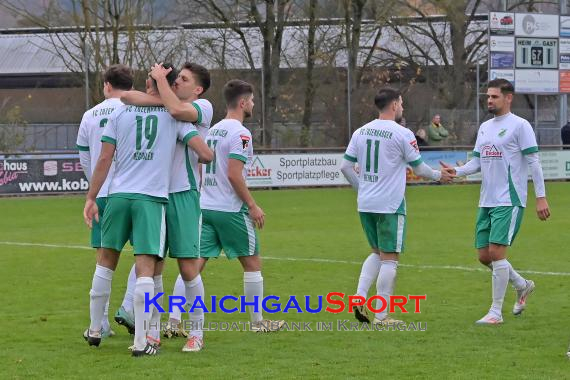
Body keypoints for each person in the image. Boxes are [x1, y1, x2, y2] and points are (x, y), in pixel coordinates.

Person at [82, 64, 213, 356]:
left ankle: (196, 332)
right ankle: (151, 332)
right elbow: (130, 98)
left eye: (184, 79)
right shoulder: (167, 107)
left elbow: (183, 121)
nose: (178, 82)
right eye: (176, 78)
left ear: (198, 89)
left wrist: (158, 86)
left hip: (182, 195)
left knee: (189, 268)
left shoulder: (199, 107)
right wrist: (157, 91)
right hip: (156, 195)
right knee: (153, 267)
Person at [441, 78, 550, 325]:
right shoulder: (485, 127)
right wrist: (455, 173)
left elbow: (534, 162)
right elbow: (476, 162)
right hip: (486, 199)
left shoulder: (520, 126)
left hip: (509, 199)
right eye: (488, 96)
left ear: (508, 98)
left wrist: (540, 197)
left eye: (494, 96)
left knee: (497, 253)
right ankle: (522, 285)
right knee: (484, 256)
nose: (489, 100)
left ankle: (495, 312)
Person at [340, 87, 452, 325]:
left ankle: (359, 297)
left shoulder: (360, 131)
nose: (402, 107)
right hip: (390, 204)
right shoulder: (402, 133)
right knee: (390, 258)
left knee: (376, 252)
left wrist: (362, 189)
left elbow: (345, 167)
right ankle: (382, 316)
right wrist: (438, 176)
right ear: (393, 105)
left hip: (366, 203)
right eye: (401, 103)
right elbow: (420, 169)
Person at [199, 79, 284, 332]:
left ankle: (173, 320)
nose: (254, 105)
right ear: (243, 102)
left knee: (194, 265)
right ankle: (258, 323)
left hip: (206, 206)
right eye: (253, 101)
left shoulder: (213, 130)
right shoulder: (241, 133)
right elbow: (234, 175)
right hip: (230, 209)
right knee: (252, 263)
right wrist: (252, 205)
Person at [76, 64, 134, 340]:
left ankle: (99, 324)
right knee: (149, 254)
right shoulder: (137, 110)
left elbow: (86, 157)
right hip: (137, 190)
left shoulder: (89, 115)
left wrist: (94, 190)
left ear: (107, 86)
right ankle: (130, 307)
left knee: (104, 258)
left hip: (104, 194)